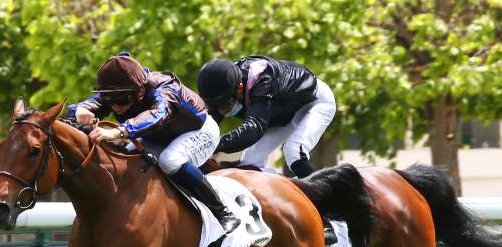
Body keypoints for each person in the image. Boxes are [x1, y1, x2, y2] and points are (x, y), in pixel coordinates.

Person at [67, 53, 240, 234]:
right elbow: (85, 106)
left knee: (170, 161)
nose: (116, 106)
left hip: (198, 130)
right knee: (126, 159)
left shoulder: (165, 87)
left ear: (140, 92)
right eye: (110, 101)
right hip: (157, 136)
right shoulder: (120, 90)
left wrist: (118, 131)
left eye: (122, 100)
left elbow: (158, 114)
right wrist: (79, 110)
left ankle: (223, 212)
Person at [196, 56, 336, 178]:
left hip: (314, 102)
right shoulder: (222, 88)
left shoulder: (260, 77)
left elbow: (254, 129)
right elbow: (204, 127)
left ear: (239, 87)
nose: (222, 112)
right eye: (216, 106)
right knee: (250, 164)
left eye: (226, 104)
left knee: (294, 153)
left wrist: (216, 143)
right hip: (283, 113)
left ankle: (323, 200)